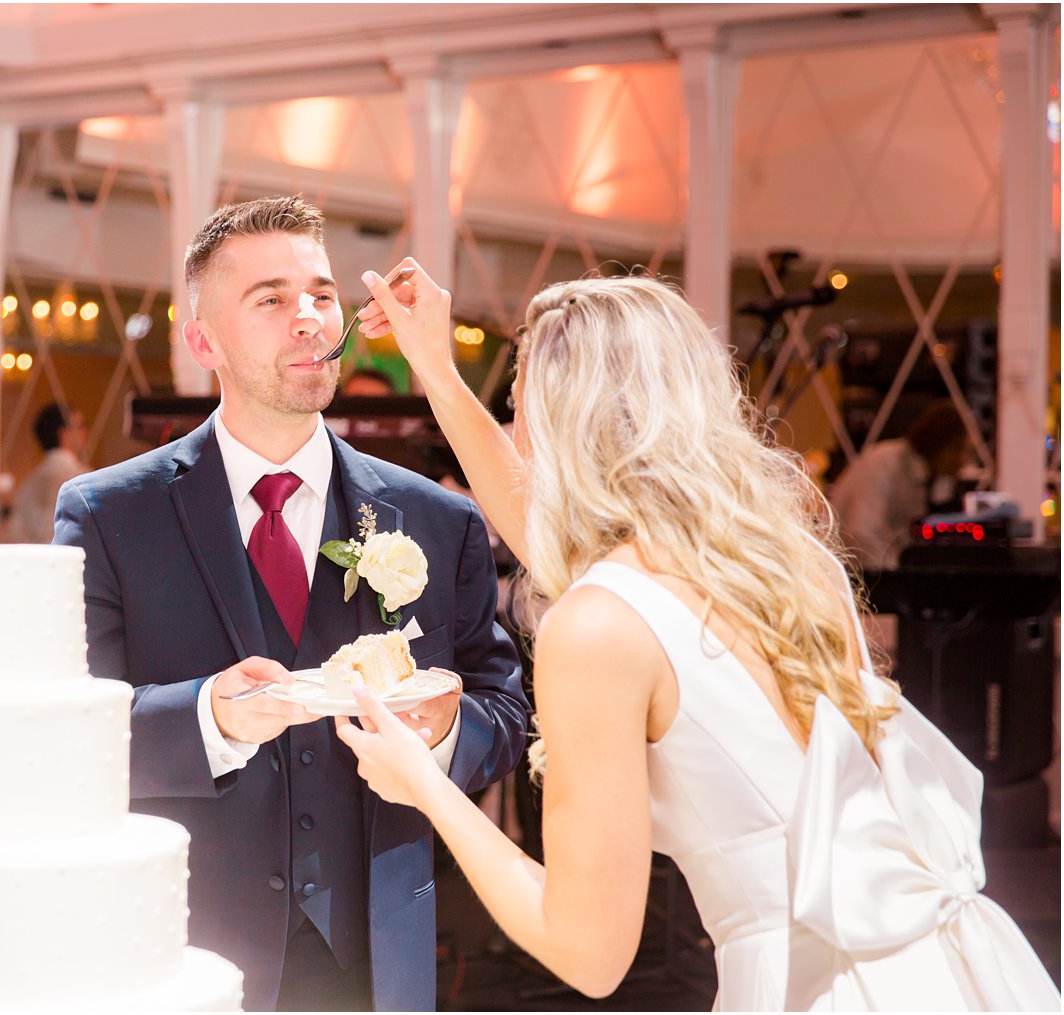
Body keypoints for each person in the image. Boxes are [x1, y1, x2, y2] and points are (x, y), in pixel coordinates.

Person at [334, 261, 1060, 1010]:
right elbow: (562, 547)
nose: (515, 437)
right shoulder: (786, 564)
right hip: (948, 973)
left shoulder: (596, 626)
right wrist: (435, 370)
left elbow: (588, 951)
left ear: (564, 426)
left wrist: (422, 781)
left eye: (520, 412)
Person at [52, 197, 528, 1012]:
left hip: (376, 966)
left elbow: (508, 712)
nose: (308, 318)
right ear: (202, 340)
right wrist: (211, 717)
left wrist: (444, 731)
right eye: (270, 299)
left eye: (321, 293)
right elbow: (67, 732)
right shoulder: (107, 514)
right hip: (180, 959)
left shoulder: (438, 520)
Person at [828, 398, 970, 571]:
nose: (963, 461)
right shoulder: (885, 461)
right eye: (960, 449)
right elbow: (860, 532)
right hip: (847, 572)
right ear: (941, 443)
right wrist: (894, 576)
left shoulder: (929, 477)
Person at [4, 404, 88, 543]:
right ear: (64, 433)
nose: (85, 433)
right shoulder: (79, 477)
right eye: (80, 426)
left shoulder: (31, 480)